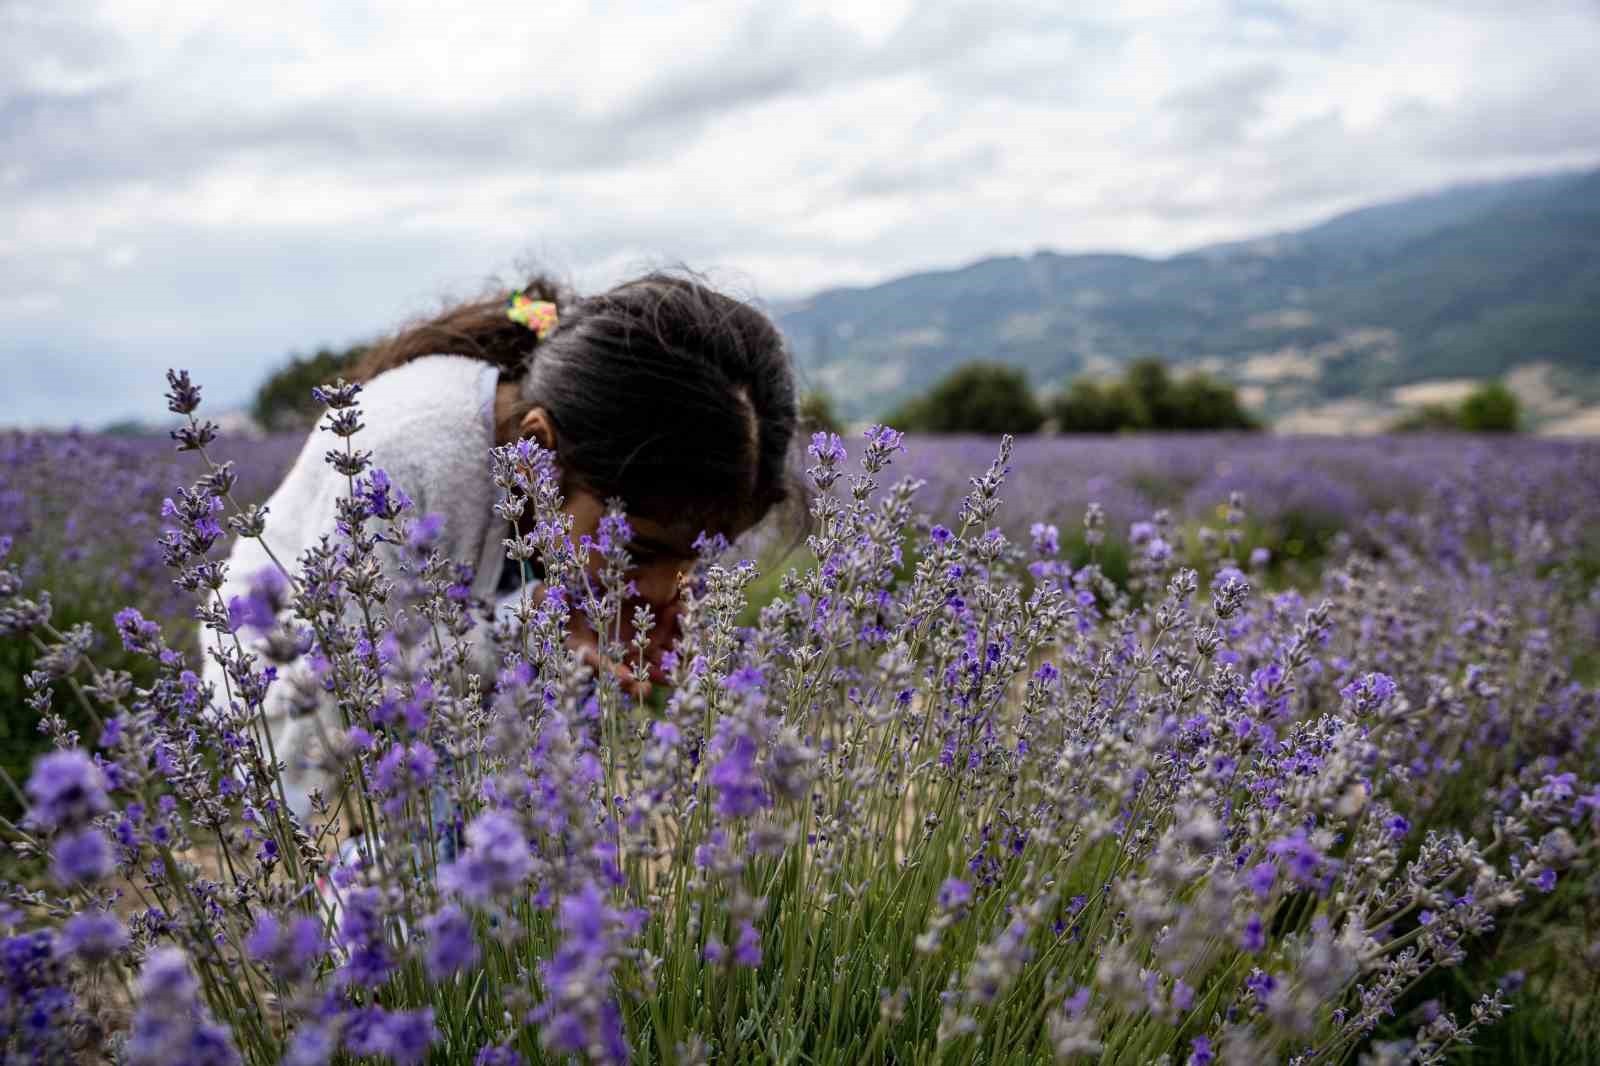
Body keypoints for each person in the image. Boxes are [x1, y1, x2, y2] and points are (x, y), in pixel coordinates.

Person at [203, 270, 801, 823]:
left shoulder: (567, 469)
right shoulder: (407, 455)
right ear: (538, 451)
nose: (666, 587)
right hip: (285, 718)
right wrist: (527, 625)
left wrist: (594, 630)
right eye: (641, 552)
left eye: (698, 558)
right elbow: (357, 692)